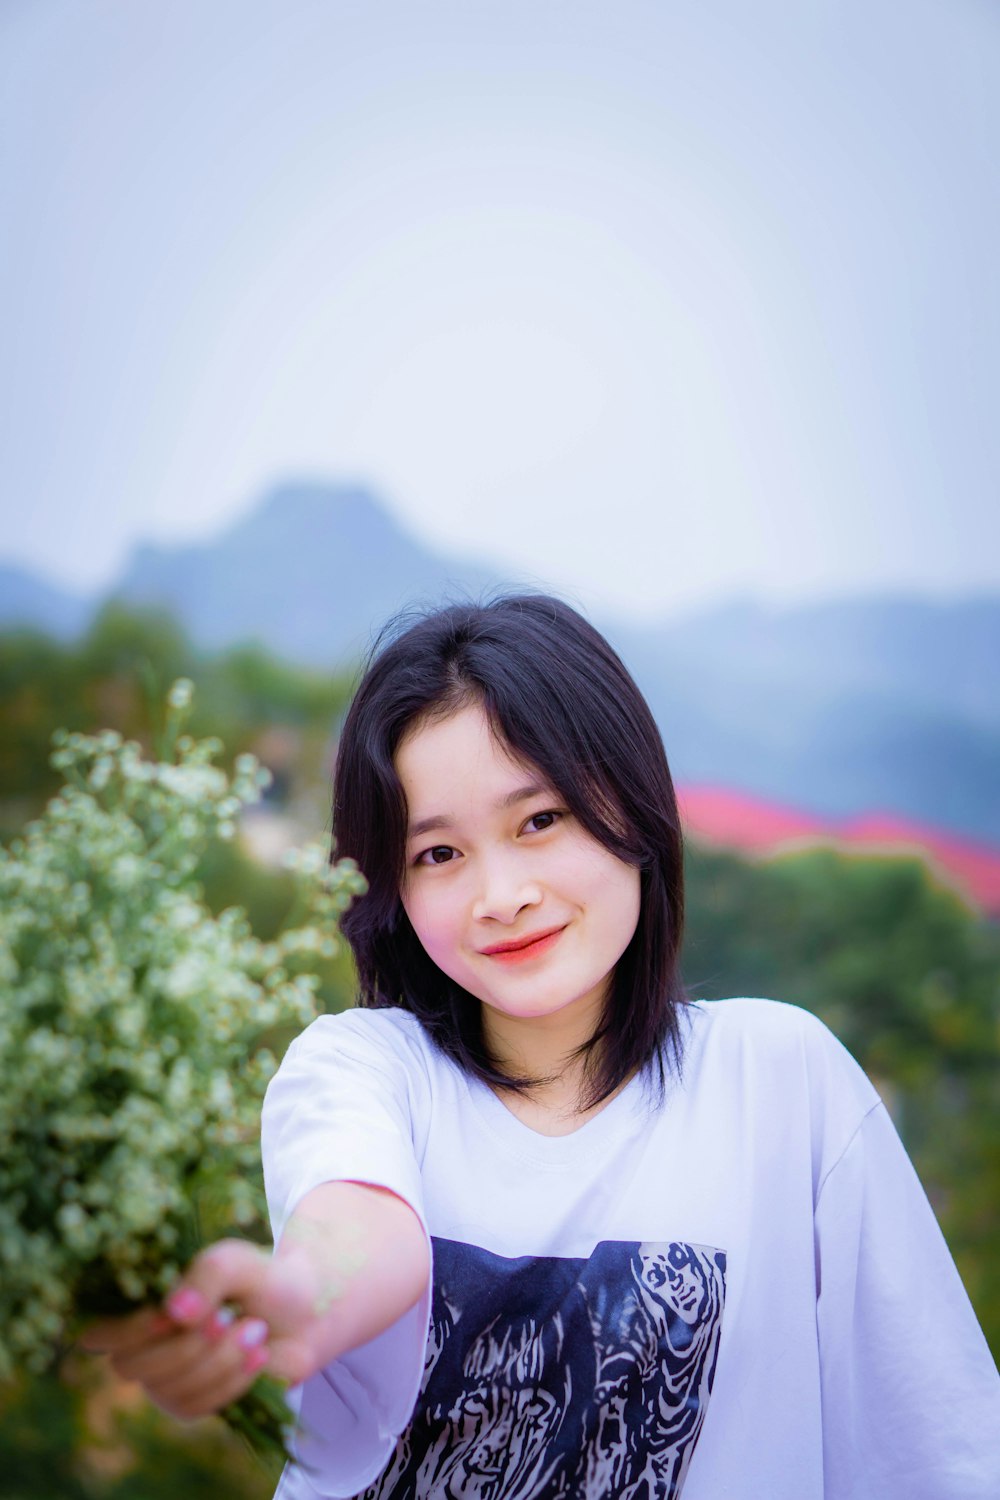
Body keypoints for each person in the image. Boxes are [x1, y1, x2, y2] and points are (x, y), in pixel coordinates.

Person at [83, 594, 1000, 1499]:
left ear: (634, 810)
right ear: (390, 891)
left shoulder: (782, 1082)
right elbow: (361, 1230)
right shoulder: (362, 1068)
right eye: (438, 854)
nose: (502, 894)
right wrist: (298, 1300)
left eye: (540, 821)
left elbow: (940, 1455)